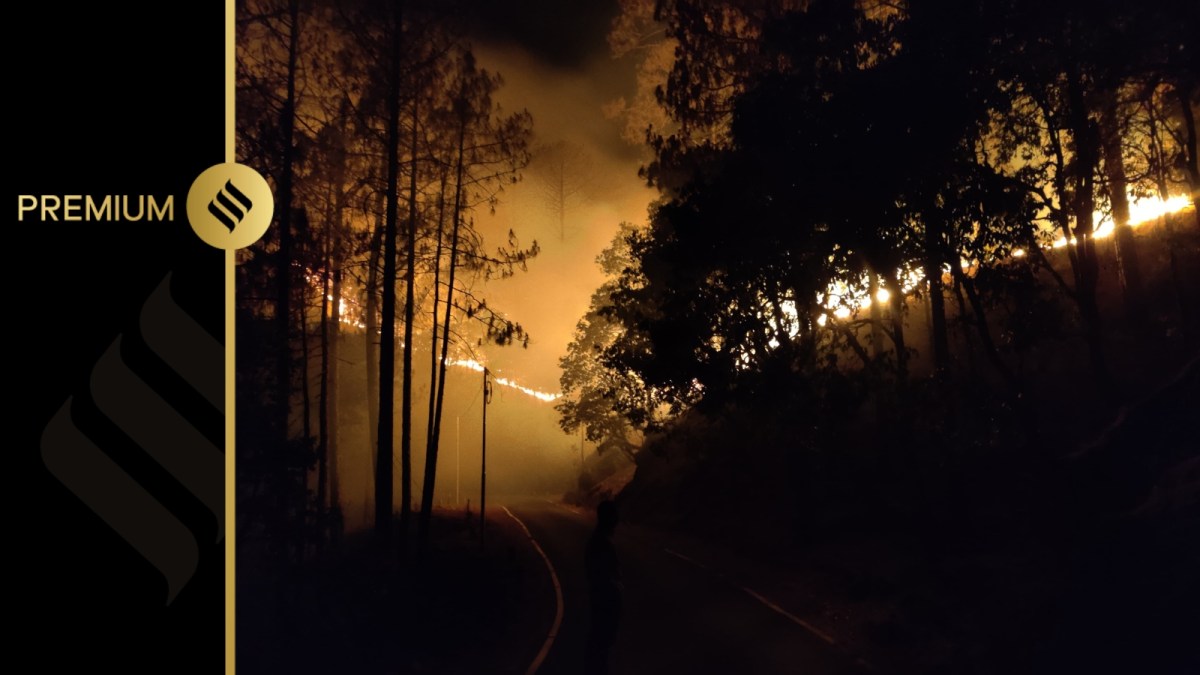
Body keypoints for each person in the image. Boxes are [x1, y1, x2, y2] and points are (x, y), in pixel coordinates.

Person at [585, 500, 622, 675]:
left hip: (603, 600)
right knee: (601, 643)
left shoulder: (600, 541)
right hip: (604, 601)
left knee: (601, 644)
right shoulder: (601, 543)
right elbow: (604, 576)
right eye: (614, 516)